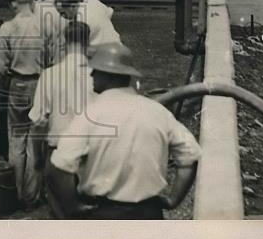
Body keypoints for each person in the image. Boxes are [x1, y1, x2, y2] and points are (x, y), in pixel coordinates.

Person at [46, 42, 201, 219]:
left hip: (103, 213)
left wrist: (72, 206)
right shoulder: (157, 112)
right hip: (148, 213)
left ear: (110, 75)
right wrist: (174, 199)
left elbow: (59, 166)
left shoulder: (90, 115)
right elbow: (191, 155)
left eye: (96, 71)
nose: (91, 74)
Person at [0, 0, 53, 208]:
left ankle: (14, 193)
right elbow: (51, 58)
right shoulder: (44, 25)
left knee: (16, 141)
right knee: (35, 142)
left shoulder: (7, 28)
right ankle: (31, 195)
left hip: (17, 84)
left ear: (15, 4)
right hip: (39, 83)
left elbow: (0, 66)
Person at [29, 21, 93, 186]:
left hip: (59, 151)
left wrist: (38, 157)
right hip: (92, 153)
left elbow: (38, 122)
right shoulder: (99, 76)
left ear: (64, 43)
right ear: (88, 43)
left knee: (60, 206)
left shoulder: (49, 75)